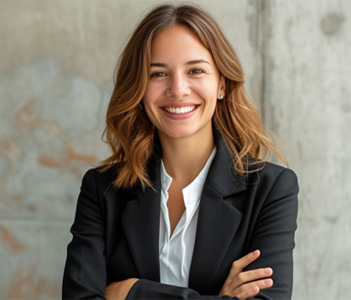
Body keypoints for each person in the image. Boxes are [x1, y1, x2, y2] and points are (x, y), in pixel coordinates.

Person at [62, 3, 298, 300]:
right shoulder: (101, 189)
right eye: (158, 74)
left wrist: (132, 292)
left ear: (222, 84)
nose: (178, 89)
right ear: (138, 87)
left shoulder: (271, 190)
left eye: (196, 70)